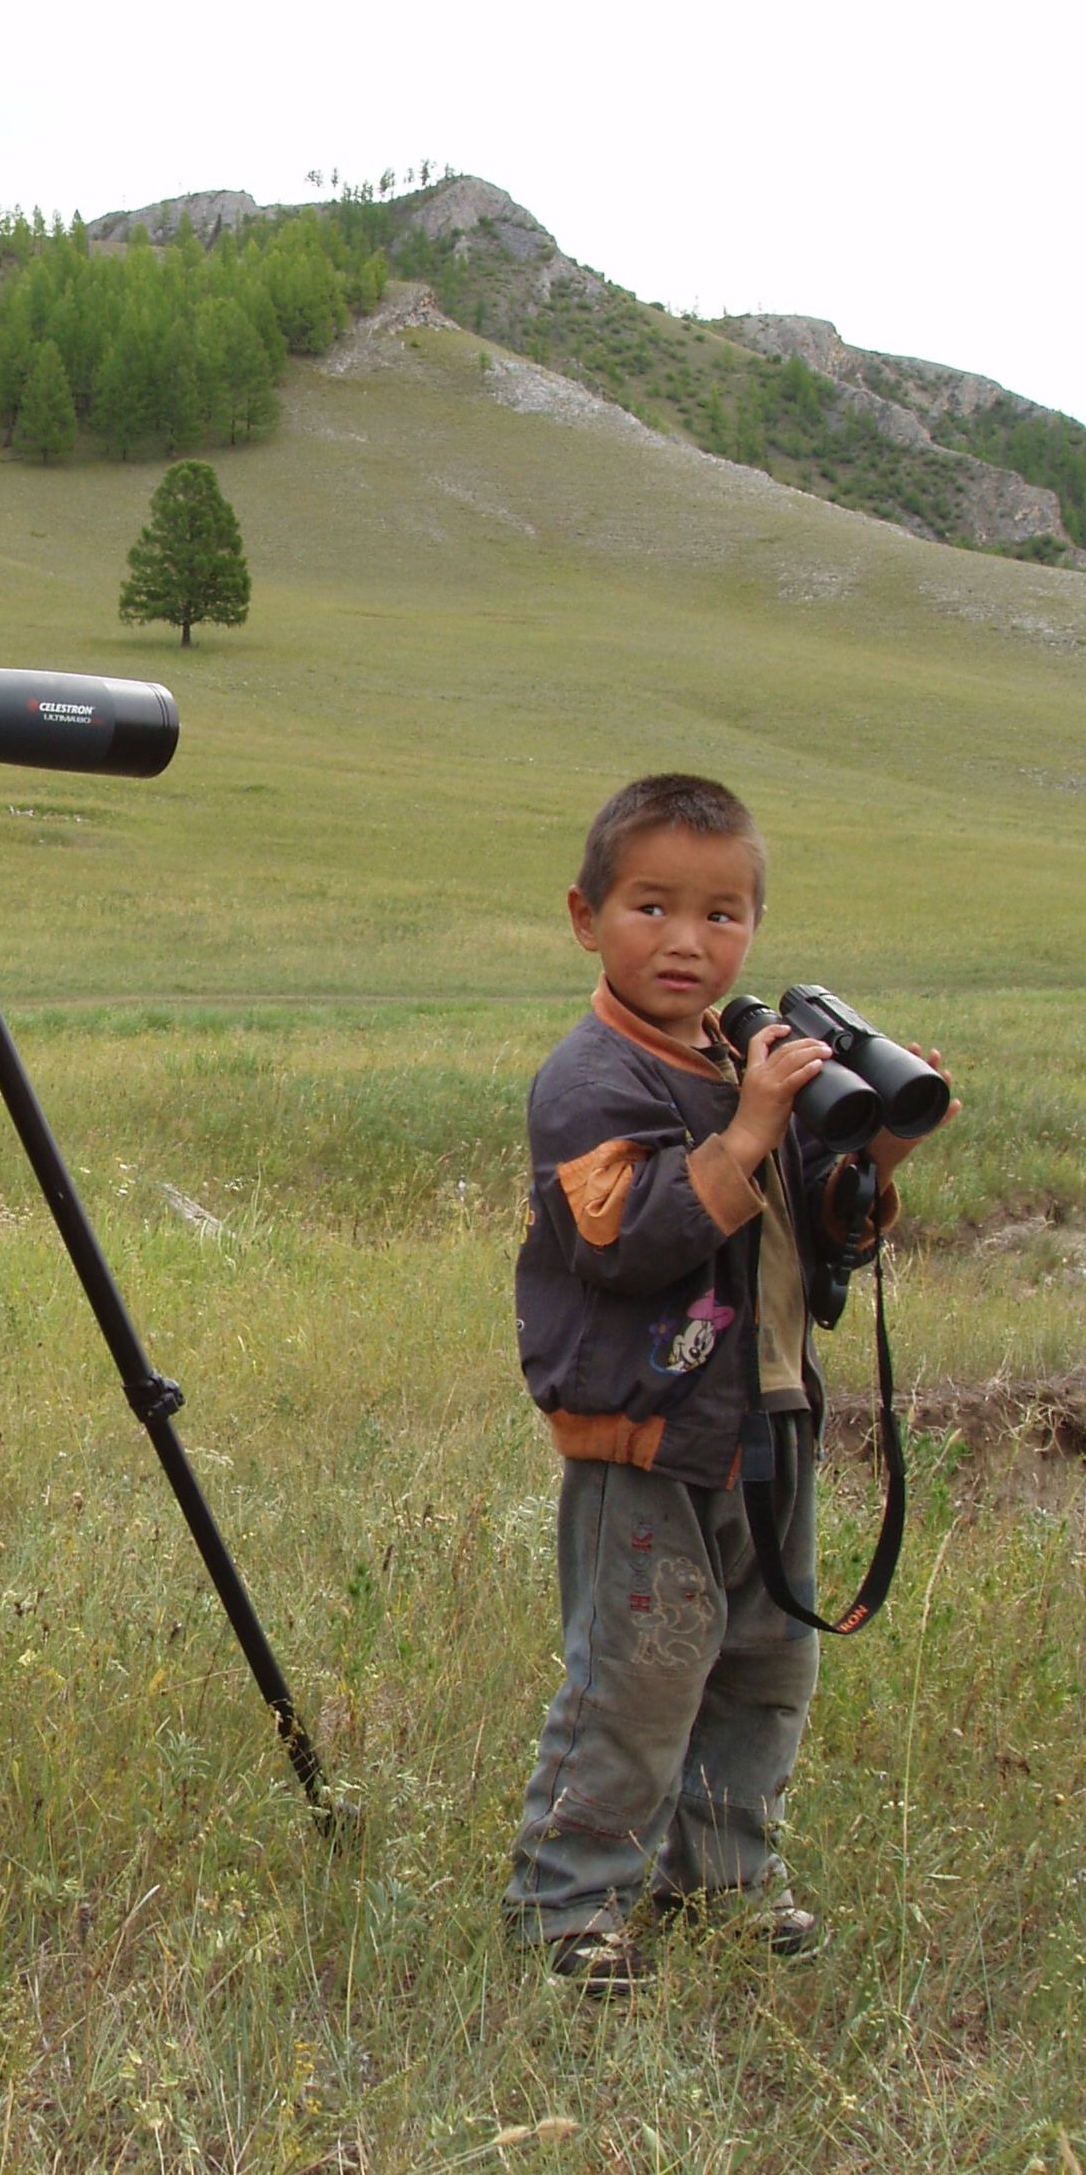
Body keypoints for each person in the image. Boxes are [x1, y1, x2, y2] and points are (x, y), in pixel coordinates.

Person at [502, 773, 955, 1997]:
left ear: (754, 925)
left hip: (767, 1411)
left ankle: (722, 1876)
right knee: (641, 1668)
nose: (686, 941)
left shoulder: (740, 1067)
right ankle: (565, 1904)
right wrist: (749, 1127)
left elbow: (816, 1228)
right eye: (650, 907)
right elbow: (620, 1240)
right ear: (585, 916)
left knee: (764, 1660)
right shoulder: (591, 1078)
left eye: (720, 914)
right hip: (645, 1431)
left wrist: (879, 1147)